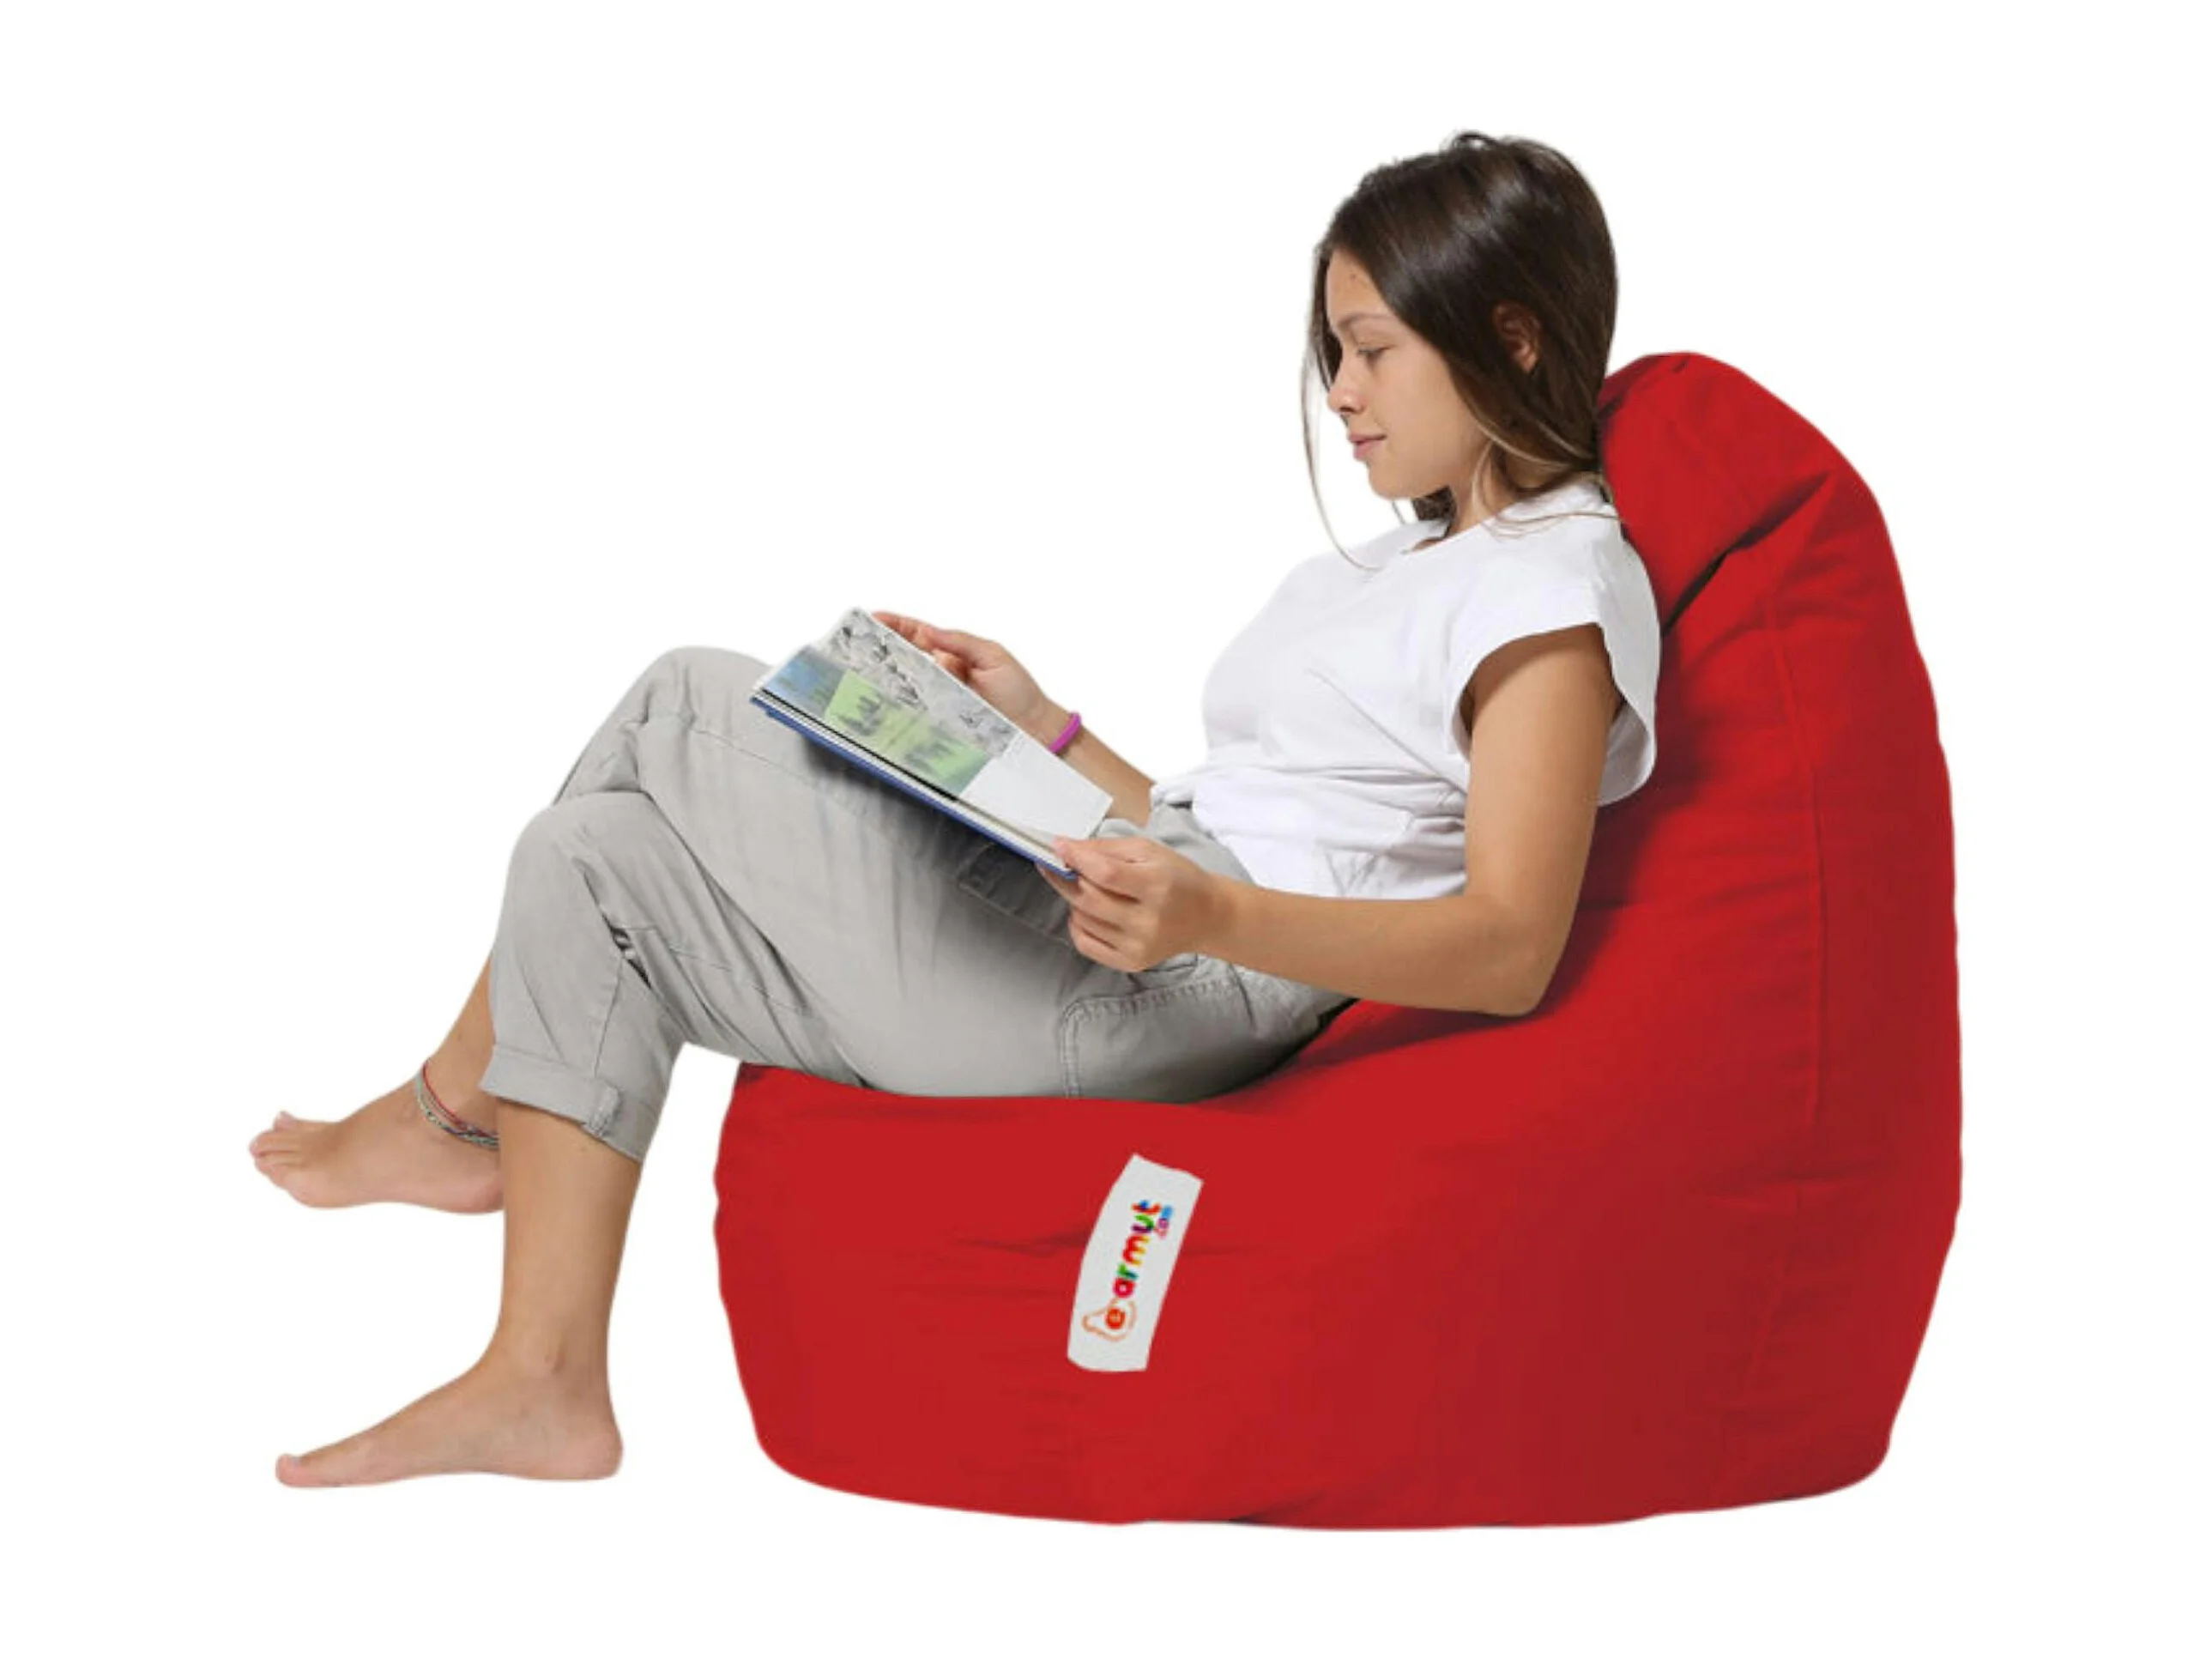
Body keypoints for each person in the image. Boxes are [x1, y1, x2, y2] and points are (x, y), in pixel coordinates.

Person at [247, 130, 1662, 1487]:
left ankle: (453, 1114)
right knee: (588, 858)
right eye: (1332, 354)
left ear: (1509, 339)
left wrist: (1211, 916)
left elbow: (1508, 945)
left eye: (1370, 350)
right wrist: (1042, 728)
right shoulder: (1415, 565)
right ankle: (542, 1382)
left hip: (1195, 995)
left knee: (684, 699)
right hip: (1169, 909)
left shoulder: (1546, 595)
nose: (1339, 394)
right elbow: (1242, 816)